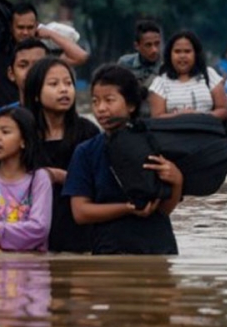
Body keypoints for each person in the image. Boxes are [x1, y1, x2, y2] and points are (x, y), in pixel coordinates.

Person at [63, 64, 184, 255]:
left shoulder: (154, 143)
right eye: (95, 101)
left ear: (131, 105)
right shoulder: (86, 152)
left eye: (109, 100)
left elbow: (163, 210)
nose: (101, 108)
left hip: (158, 248)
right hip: (110, 250)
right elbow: (81, 212)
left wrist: (177, 180)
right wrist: (126, 209)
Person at [23, 56, 100, 253]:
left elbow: (99, 185)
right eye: (53, 84)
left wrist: (61, 177)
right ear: (36, 94)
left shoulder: (87, 132)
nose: (64, 89)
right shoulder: (23, 134)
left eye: (68, 83)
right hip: (33, 232)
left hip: (78, 232)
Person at [0, 107, 53, 252]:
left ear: (23, 141)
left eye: (5, 132)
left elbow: (40, 229)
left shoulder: (39, 178)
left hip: (31, 266)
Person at [0, 38, 49, 159]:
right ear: (11, 73)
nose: (31, 71)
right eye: (23, 65)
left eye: (38, 65)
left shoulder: (60, 115)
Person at [148, 30, 227, 122]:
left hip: (207, 133)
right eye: (177, 51)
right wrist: (181, 116)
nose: (182, 56)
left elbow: (223, 110)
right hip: (172, 135)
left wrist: (200, 116)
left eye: (187, 51)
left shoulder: (209, 74)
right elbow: (156, 117)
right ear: (170, 55)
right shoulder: (160, 82)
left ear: (195, 54)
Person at [117, 20, 162, 87]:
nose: (154, 50)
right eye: (148, 45)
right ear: (137, 46)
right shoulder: (125, 64)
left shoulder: (166, 67)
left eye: (157, 44)